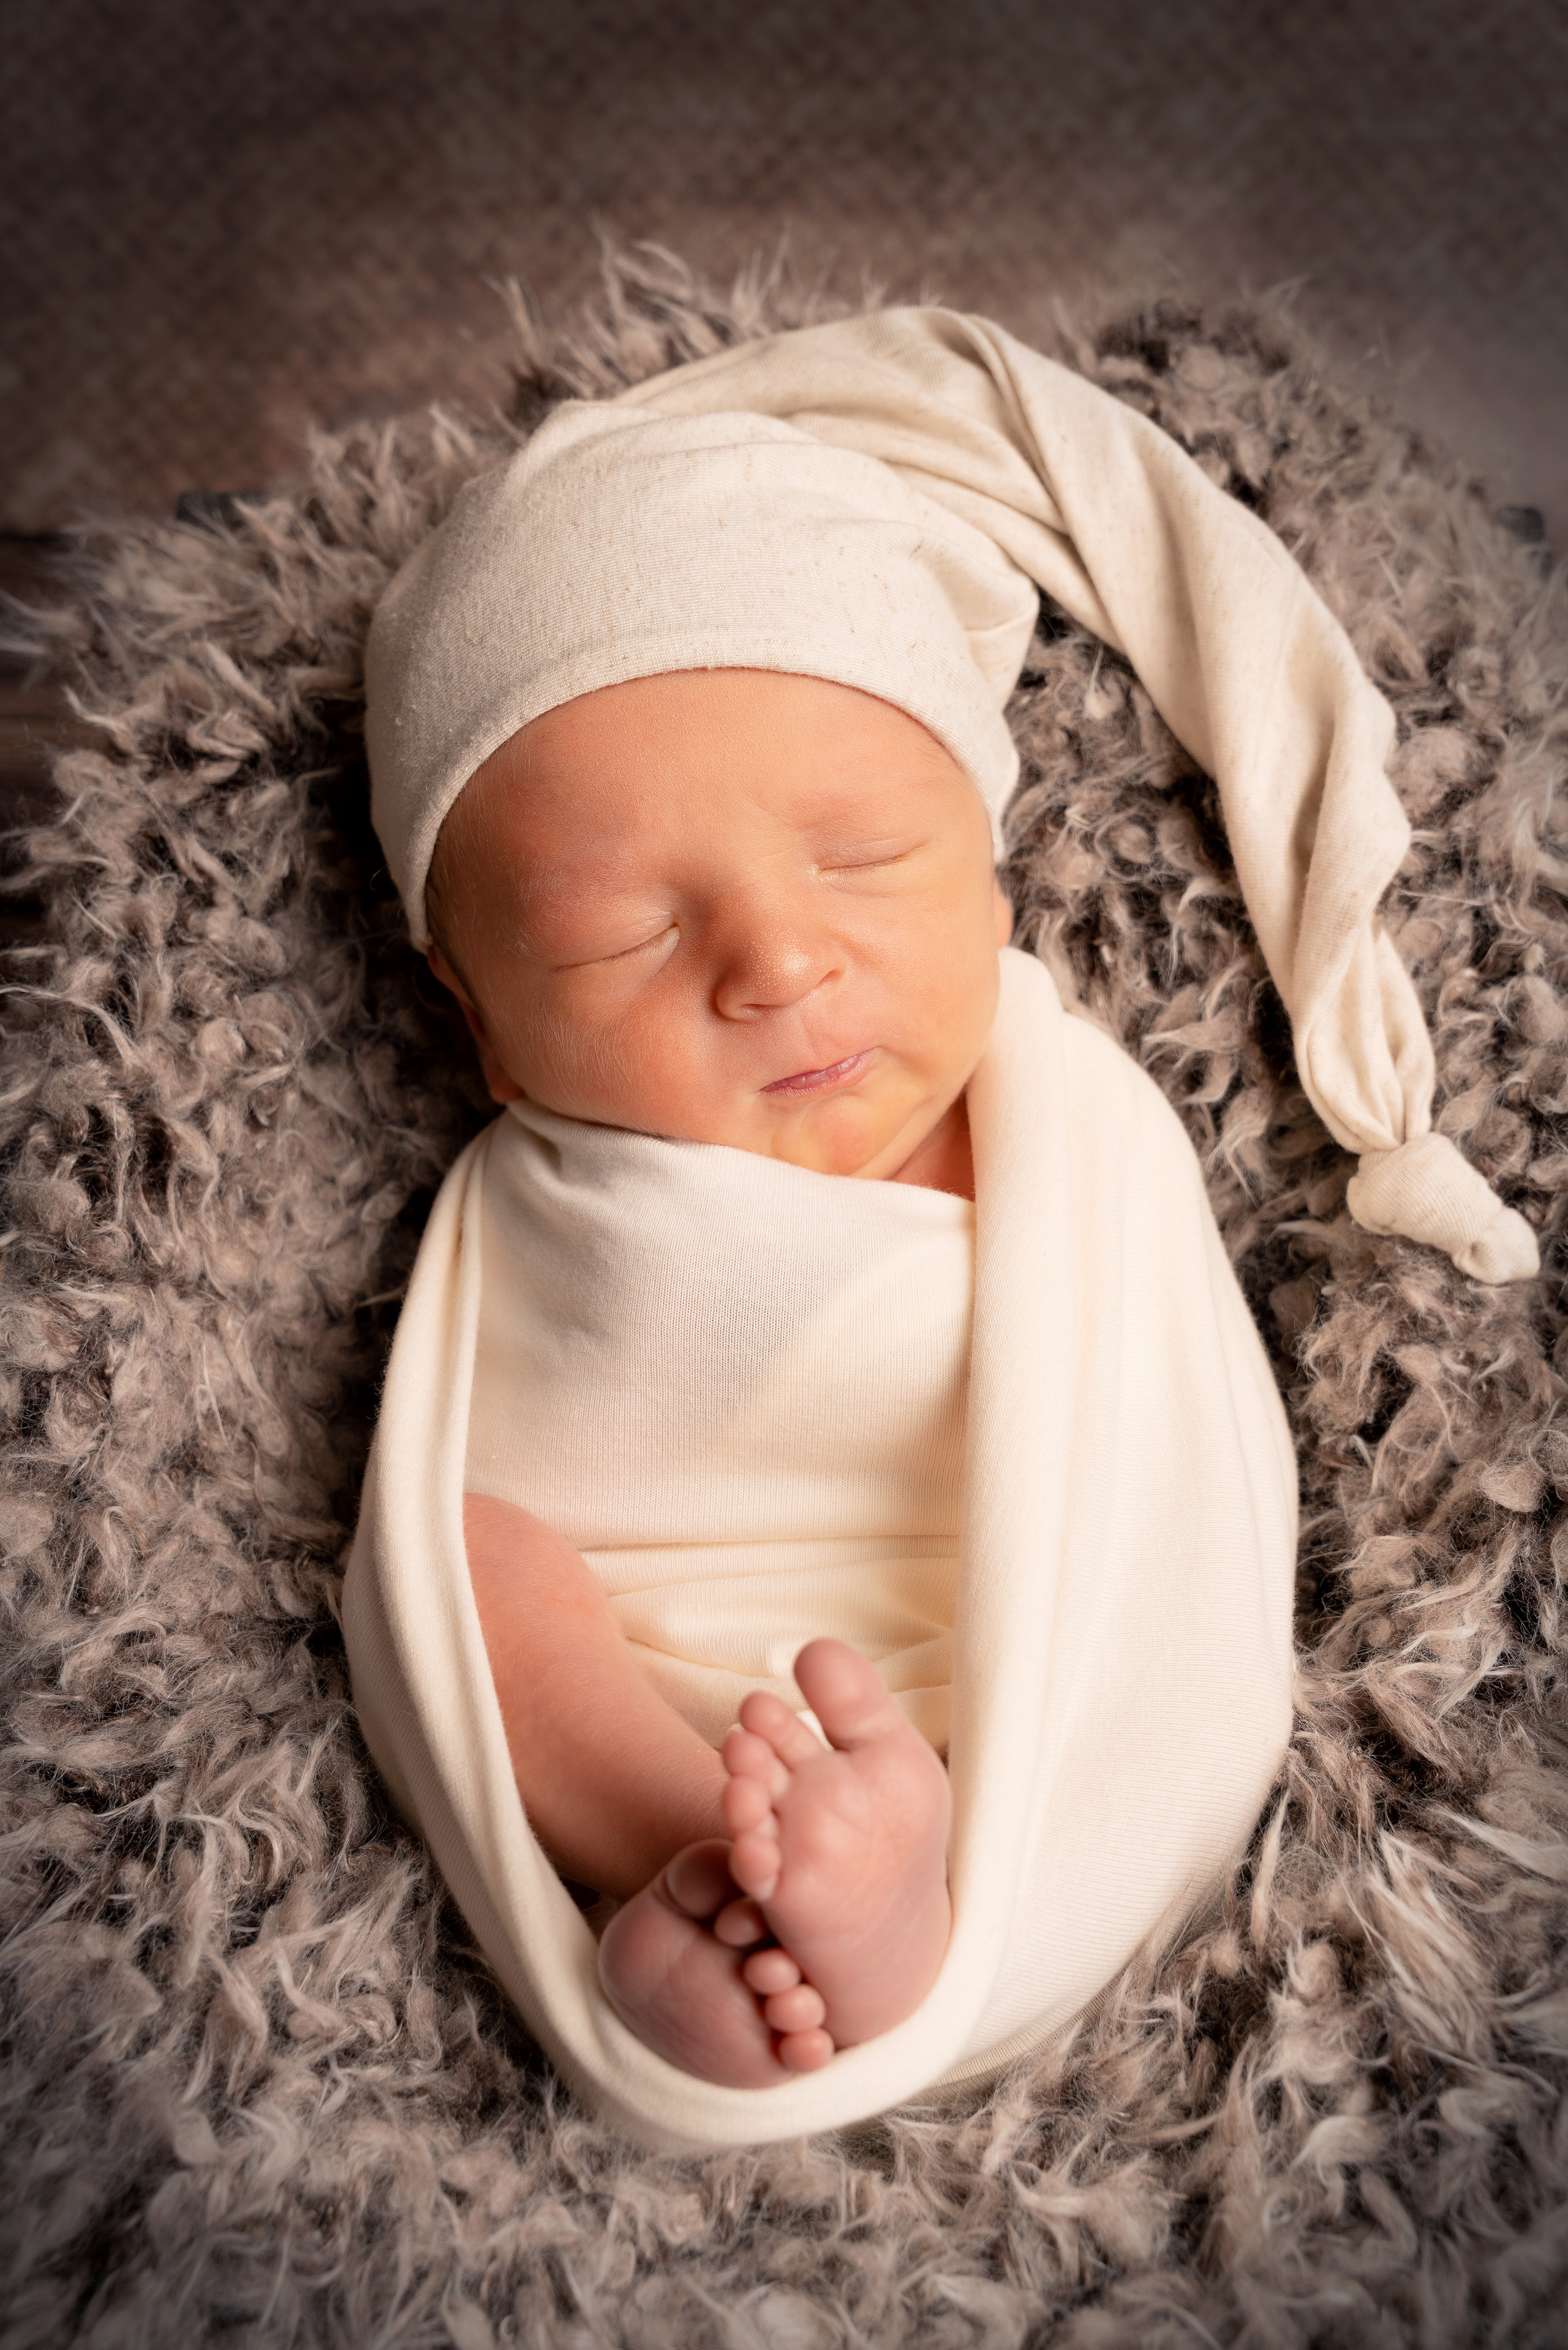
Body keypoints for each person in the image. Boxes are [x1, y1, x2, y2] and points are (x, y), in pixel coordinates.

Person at [342, 306, 1536, 2154]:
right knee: (463, 1573)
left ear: (990, 857)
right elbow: (443, 1495)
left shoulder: (1064, 1130)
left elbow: (1160, 1479)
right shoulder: (521, 1200)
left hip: (992, 1689)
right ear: (475, 1014)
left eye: (866, 860)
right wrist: (663, 1757)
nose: (779, 960)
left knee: (1015, 1689)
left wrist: (979, 1770)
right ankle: (697, 1870)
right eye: (616, 939)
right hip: (646, 1688)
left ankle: (909, 1918)